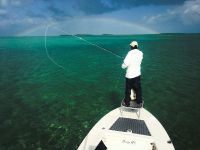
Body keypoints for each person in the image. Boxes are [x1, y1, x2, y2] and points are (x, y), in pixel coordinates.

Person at [121, 41, 143, 108]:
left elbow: (124, 65)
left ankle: (127, 103)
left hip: (130, 76)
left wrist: (124, 62)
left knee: (128, 90)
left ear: (131, 46)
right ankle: (139, 101)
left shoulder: (129, 53)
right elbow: (138, 60)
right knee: (138, 89)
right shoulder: (141, 53)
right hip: (137, 75)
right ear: (137, 46)